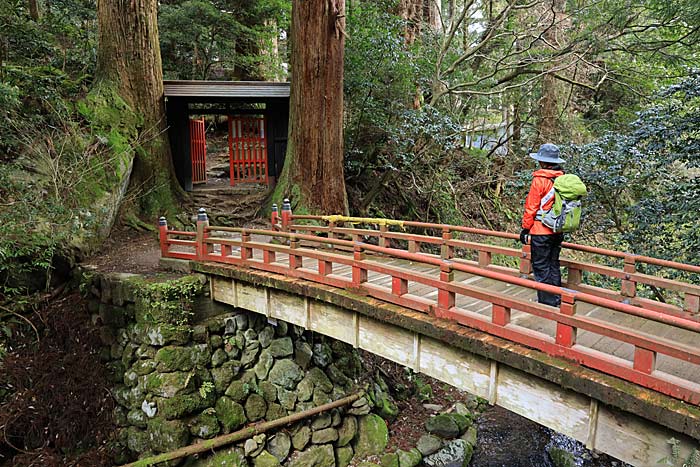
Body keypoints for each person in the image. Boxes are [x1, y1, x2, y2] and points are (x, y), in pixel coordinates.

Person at [520, 143, 565, 307]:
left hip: (541, 230)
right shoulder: (562, 179)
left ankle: (547, 302)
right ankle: (557, 298)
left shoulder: (540, 180)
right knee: (553, 263)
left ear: (543, 162)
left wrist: (526, 228)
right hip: (557, 229)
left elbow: (531, 207)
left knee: (541, 266)